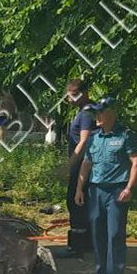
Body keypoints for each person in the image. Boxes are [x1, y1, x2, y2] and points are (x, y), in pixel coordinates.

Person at [74, 97, 137, 274]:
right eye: (95, 113)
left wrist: (129, 188)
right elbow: (86, 164)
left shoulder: (126, 135)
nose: (96, 117)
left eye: (100, 113)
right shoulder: (94, 138)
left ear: (111, 113)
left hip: (116, 191)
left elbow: (136, 162)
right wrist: (79, 189)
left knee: (115, 235)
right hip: (96, 190)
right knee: (98, 234)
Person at [60, 78, 97, 258]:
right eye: (68, 95)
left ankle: (78, 246)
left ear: (85, 93)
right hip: (83, 163)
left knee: (76, 202)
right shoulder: (83, 111)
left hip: (82, 164)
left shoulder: (87, 113)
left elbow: (83, 142)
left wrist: (69, 165)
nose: (70, 99)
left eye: (74, 95)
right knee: (82, 202)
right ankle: (88, 242)